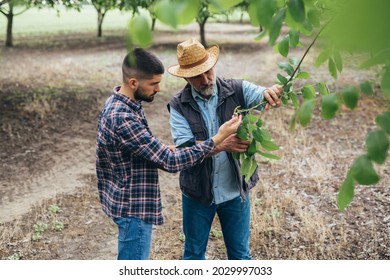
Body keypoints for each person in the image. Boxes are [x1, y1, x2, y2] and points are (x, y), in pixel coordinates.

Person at [96, 48, 242, 260]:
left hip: (126, 201)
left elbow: (153, 150)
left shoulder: (122, 103)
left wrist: (206, 146)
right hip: (132, 208)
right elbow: (169, 161)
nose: (158, 88)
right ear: (134, 83)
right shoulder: (123, 118)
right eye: (154, 84)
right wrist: (218, 140)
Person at [167, 38, 282, 260]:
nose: (205, 79)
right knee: (193, 255)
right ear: (185, 76)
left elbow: (262, 94)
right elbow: (185, 150)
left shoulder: (237, 90)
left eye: (207, 71)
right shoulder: (178, 105)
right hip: (197, 193)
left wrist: (272, 92)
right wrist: (221, 144)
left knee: (240, 256)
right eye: (196, 75)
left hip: (234, 191)